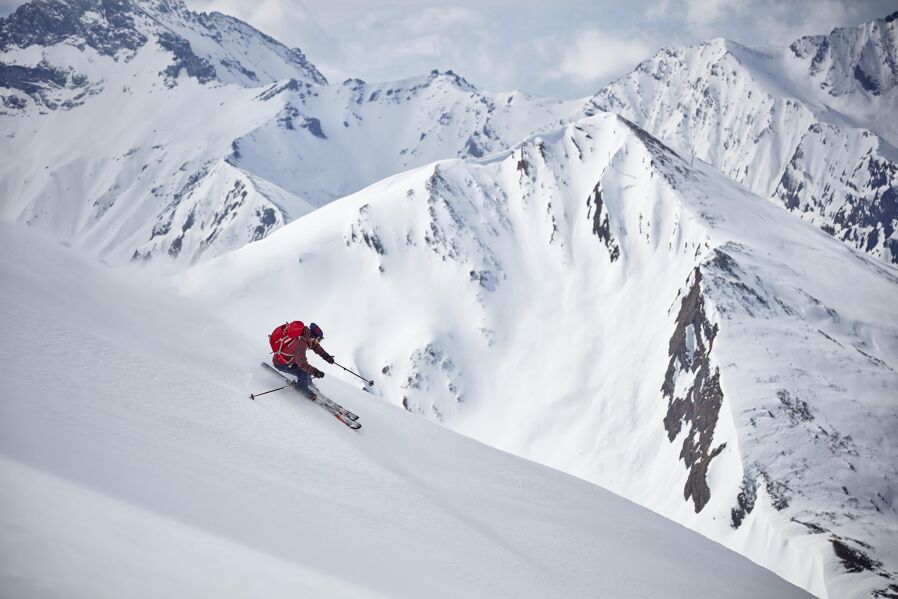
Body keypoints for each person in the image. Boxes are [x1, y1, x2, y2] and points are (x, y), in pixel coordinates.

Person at [271, 322, 335, 395]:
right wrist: (316, 372)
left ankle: (309, 384)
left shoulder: (305, 335)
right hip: (281, 363)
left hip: (289, 360)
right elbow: (303, 365)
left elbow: (315, 346)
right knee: (303, 371)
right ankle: (301, 387)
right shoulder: (301, 344)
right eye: (319, 340)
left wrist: (327, 357)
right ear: (314, 337)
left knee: (307, 370)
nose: (318, 342)